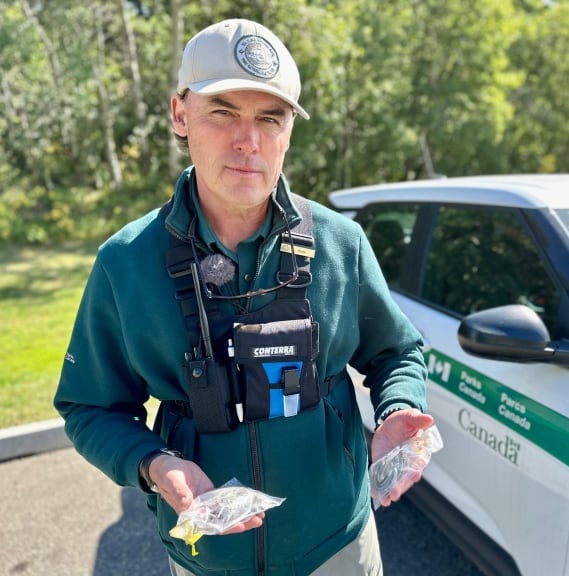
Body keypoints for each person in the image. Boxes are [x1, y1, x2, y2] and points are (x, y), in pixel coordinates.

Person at [54, 18, 433, 576]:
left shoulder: (340, 243)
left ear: (289, 132)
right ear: (180, 114)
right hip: (207, 555)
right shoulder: (125, 262)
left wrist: (399, 407)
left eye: (269, 118)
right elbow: (89, 406)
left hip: (336, 545)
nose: (247, 141)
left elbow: (396, 352)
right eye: (224, 112)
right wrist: (155, 464)